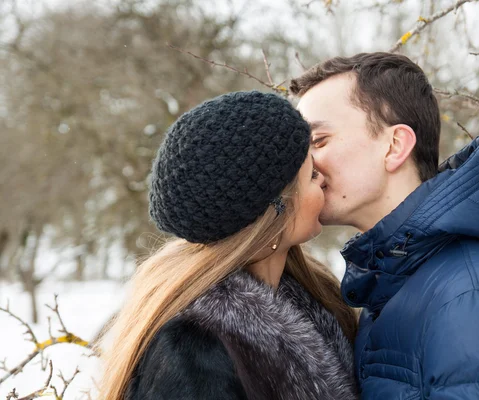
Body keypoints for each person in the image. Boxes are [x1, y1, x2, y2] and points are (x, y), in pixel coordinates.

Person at [290, 52, 479, 400]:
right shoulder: (400, 282)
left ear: (395, 146)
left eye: (318, 142)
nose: (306, 164)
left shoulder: (474, 300)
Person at [98, 91, 359, 400]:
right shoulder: (193, 350)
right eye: (311, 175)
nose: (324, 181)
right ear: (276, 207)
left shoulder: (317, 296)